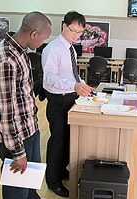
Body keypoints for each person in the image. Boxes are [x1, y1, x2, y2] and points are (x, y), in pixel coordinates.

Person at [0, 12, 52, 199]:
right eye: (43, 39)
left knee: (30, 183)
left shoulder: (20, 51)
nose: (42, 44)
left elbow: (22, 96)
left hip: (28, 129)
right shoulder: (6, 60)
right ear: (33, 34)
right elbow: (6, 114)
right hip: (15, 139)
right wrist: (18, 153)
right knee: (17, 190)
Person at [42, 11, 94, 197]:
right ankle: (53, 181)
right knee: (58, 141)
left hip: (70, 97)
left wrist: (82, 85)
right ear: (64, 26)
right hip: (58, 101)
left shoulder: (70, 48)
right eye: (73, 31)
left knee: (67, 140)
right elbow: (50, 79)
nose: (76, 35)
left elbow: (73, 74)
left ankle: (61, 170)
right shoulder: (53, 48)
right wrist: (74, 85)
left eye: (80, 32)